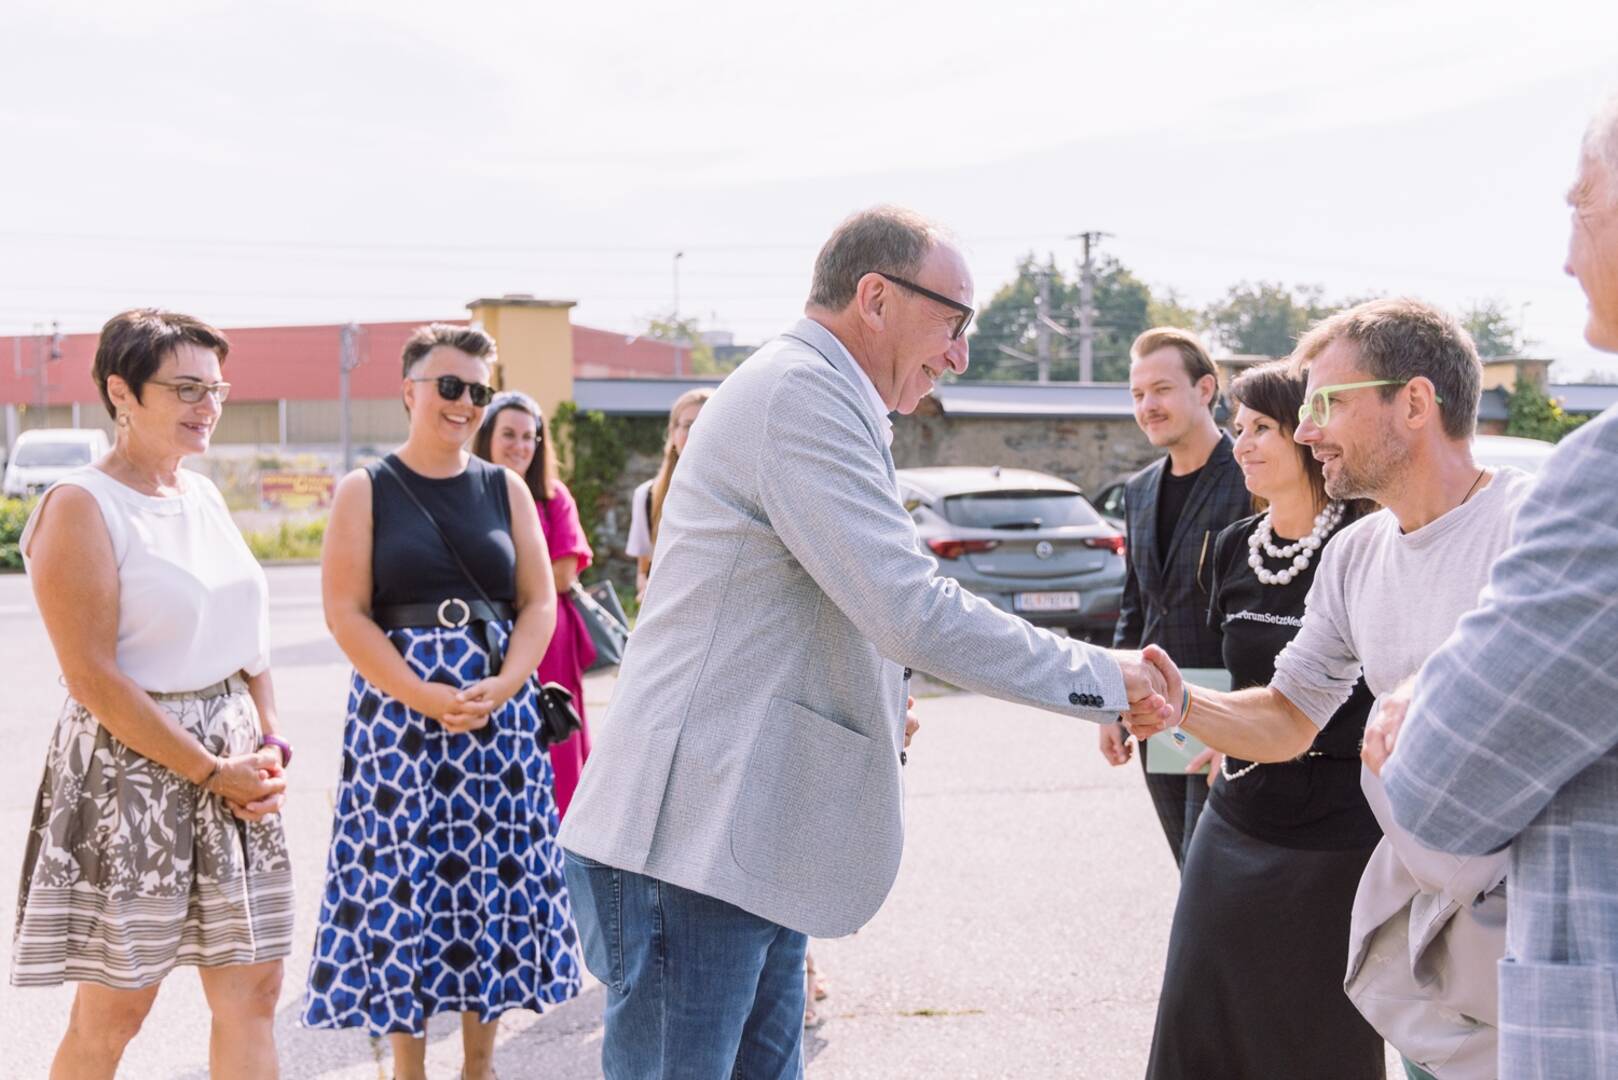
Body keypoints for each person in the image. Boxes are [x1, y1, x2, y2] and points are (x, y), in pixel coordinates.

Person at [557, 205, 1178, 1079]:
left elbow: (831, 608)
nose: (961, 355)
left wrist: (878, 697)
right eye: (954, 322)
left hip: (739, 839)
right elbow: (909, 610)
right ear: (875, 297)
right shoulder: (801, 395)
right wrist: (1104, 676)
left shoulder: (817, 393)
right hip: (692, 848)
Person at [1130, 298, 1539, 1079]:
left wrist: (1435, 689)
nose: (1307, 430)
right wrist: (1178, 704)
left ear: (1413, 403)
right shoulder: (1354, 555)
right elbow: (1290, 716)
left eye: (1327, 405)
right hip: (1437, 931)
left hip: (1549, 923)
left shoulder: (1532, 525)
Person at [1371, 96, 1618, 1079]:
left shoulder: (1601, 479)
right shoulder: (1358, 555)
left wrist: (1421, 694)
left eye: (1582, 208)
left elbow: (1442, 787)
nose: (1566, 258)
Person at [11, 308, 291, 1080]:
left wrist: (270, 743)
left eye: (217, 389)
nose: (209, 406)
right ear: (121, 392)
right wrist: (211, 770)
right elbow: (91, 675)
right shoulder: (81, 504)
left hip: (239, 775)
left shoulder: (201, 494)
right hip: (134, 774)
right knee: (116, 1012)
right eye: (187, 388)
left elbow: (250, 641)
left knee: (254, 994)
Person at [302, 324, 581, 1080]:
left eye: (478, 391)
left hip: (495, 714)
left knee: (486, 880)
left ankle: (478, 1067)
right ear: (409, 391)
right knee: (405, 884)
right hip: (399, 720)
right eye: (449, 386)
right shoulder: (365, 489)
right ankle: (409, 1068)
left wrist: (510, 682)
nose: (465, 403)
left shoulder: (505, 487)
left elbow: (539, 603)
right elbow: (346, 613)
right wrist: (421, 693)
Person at [1145, 361, 1383, 1079]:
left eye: (1262, 429)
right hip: (1237, 814)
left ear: (1307, 436)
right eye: (1239, 427)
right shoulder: (1230, 547)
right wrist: (1199, 734)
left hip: (1341, 832)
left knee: (1315, 1036)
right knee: (1197, 1013)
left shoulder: (1367, 548)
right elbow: (1215, 668)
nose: (1242, 444)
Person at [1103, 327, 1250, 869]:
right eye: (1138, 394)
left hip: (1227, 708)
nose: (1148, 406)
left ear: (1205, 389)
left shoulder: (1251, 476)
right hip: (1157, 708)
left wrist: (1242, 724)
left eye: (1162, 389)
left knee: (1212, 876)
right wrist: (1111, 701)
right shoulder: (1139, 490)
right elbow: (1136, 605)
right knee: (1188, 869)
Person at [473, 389, 597, 817]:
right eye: (509, 434)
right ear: (487, 436)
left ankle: (559, 830)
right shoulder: (469, 494)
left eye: (530, 436)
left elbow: (563, 575)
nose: (520, 446)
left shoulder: (553, 496)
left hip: (550, 639)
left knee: (554, 737)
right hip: (486, 634)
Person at [629, 387, 713, 600]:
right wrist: (647, 590)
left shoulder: (739, 494)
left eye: (706, 423)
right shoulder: (647, 496)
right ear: (673, 432)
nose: (696, 432)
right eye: (688, 425)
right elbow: (643, 571)